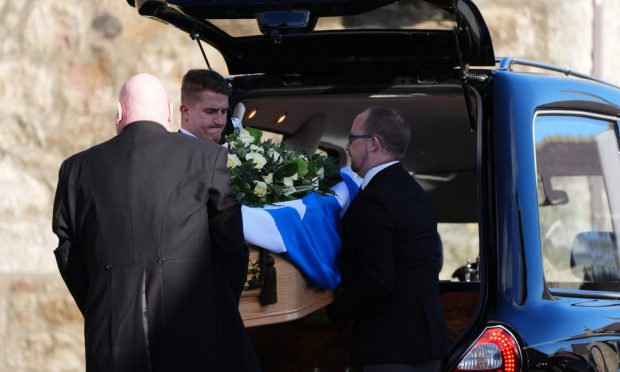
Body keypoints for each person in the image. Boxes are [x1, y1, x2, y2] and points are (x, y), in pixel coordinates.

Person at [52, 73, 260, 372]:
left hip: (112, 331)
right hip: (194, 321)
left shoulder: (76, 169)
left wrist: (103, 299)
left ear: (120, 112)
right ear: (169, 113)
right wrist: (216, 301)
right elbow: (230, 246)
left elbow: (68, 253)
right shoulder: (208, 158)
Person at [327, 107, 449, 371]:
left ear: (373, 143)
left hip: (391, 347)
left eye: (352, 138)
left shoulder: (375, 200)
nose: (347, 146)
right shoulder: (413, 191)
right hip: (425, 342)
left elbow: (377, 281)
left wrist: (334, 312)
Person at [179, 68, 241, 143]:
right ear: (186, 112)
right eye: (210, 111)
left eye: (224, 111)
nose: (220, 121)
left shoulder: (227, 149)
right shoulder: (170, 153)